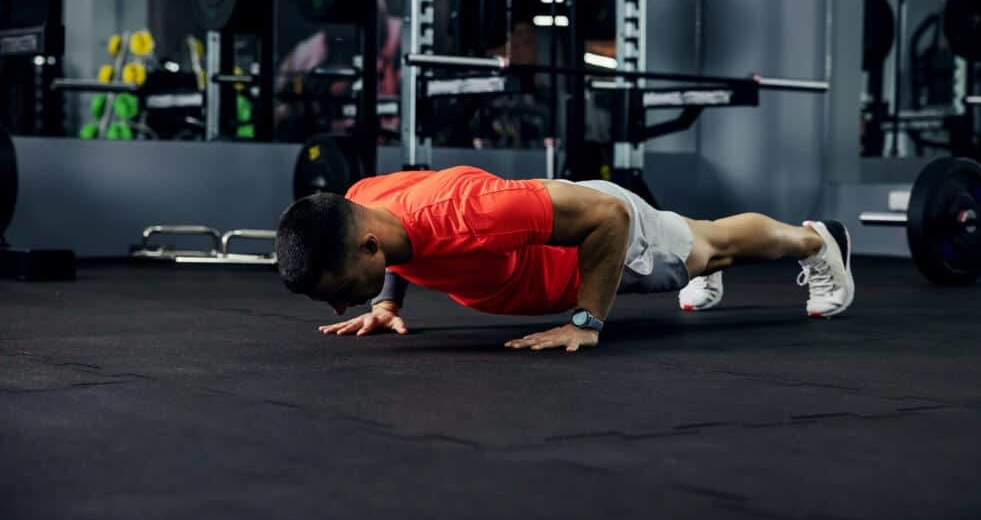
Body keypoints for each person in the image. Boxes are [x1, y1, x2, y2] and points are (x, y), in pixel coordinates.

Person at [274, 166, 854, 353]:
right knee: (692, 241)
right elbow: (392, 246)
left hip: (598, 239)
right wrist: (384, 300)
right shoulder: (361, 205)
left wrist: (585, 321)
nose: (337, 302)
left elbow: (609, 218)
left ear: (367, 248)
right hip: (546, 214)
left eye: (341, 287)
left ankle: (818, 239)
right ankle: (700, 265)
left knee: (709, 245)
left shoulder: (471, 213)